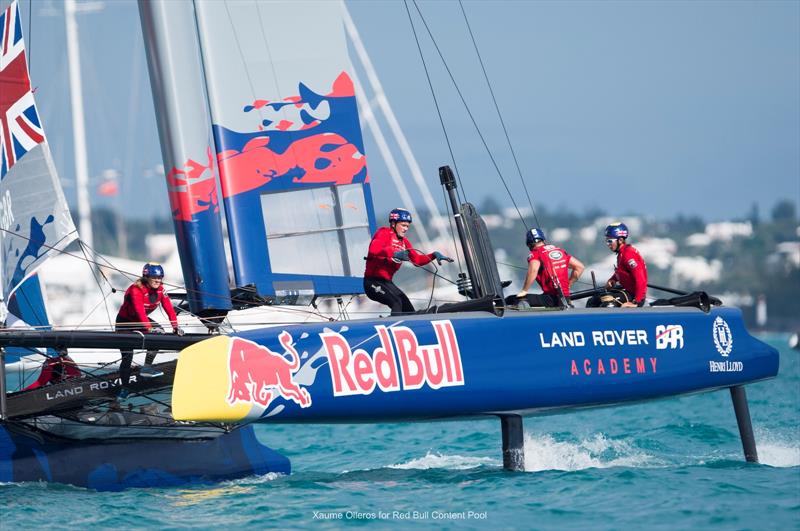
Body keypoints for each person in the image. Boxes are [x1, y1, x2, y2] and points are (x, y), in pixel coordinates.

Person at [364, 208, 453, 315]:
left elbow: (417, 261)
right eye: (403, 225)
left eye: (407, 226)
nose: (406, 229)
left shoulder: (404, 242)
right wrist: (394, 254)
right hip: (372, 282)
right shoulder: (384, 233)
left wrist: (433, 255)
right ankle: (393, 327)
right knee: (397, 303)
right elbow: (374, 249)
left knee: (408, 308)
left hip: (387, 283)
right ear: (393, 223)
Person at [115, 263, 182, 396]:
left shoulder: (161, 290)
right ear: (146, 277)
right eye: (154, 277)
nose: (158, 280)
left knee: (160, 334)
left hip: (141, 321)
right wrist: (149, 329)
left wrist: (176, 327)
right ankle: (125, 388)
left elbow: (169, 309)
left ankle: (147, 367)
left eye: (160, 277)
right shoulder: (136, 290)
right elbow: (140, 312)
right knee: (127, 357)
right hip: (125, 323)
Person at [507, 228, 585, 308]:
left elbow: (533, 270)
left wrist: (524, 290)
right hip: (566, 298)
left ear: (529, 244)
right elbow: (580, 267)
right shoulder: (560, 251)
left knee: (510, 299)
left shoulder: (535, 254)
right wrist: (569, 284)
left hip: (551, 299)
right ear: (543, 240)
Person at [603, 222, 648, 307]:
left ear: (620, 240)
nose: (608, 244)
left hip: (635, 297)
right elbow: (623, 272)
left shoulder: (628, 254)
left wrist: (636, 302)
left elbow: (641, 279)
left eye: (610, 241)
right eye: (606, 241)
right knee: (594, 300)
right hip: (627, 292)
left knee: (607, 303)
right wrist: (613, 279)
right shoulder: (621, 253)